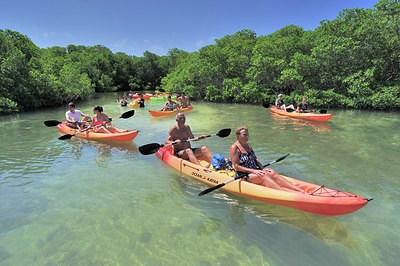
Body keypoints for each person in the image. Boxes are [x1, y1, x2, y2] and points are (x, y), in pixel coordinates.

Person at [229, 126, 305, 192]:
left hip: (255, 171)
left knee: (271, 172)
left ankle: (299, 190)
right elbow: (236, 166)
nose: (247, 136)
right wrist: (254, 171)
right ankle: (284, 193)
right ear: (238, 135)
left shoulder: (248, 144)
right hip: (244, 175)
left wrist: (262, 168)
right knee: (263, 176)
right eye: (245, 135)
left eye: (248, 134)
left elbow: (255, 159)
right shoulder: (234, 148)